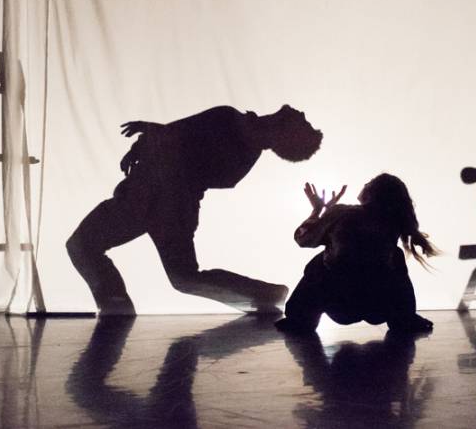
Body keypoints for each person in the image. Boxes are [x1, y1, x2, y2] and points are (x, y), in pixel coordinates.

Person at [67, 104, 323, 315]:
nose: (302, 113)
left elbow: (178, 139)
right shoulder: (236, 141)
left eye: (304, 123)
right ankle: (265, 294)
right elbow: (178, 137)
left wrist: (149, 139)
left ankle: (116, 306)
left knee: (83, 246)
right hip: (165, 206)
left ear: (284, 133)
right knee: (183, 277)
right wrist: (144, 146)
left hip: (158, 204)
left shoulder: (233, 136)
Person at [275, 173, 437, 333]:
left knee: (318, 262)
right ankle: (405, 317)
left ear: (372, 192)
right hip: (378, 305)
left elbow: (304, 240)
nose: (365, 184)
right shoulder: (391, 221)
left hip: (341, 304)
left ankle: (299, 319)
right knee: (397, 256)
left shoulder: (341, 212)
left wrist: (317, 211)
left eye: (369, 182)